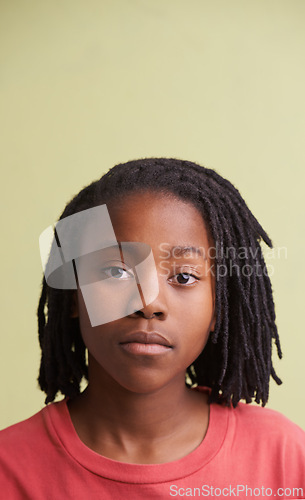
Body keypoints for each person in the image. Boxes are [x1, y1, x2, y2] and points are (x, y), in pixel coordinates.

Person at [0, 158, 304, 499]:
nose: (148, 303)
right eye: (116, 272)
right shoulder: (9, 468)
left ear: (220, 306)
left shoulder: (283, 456)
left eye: (184, 277)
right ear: (74, 296)